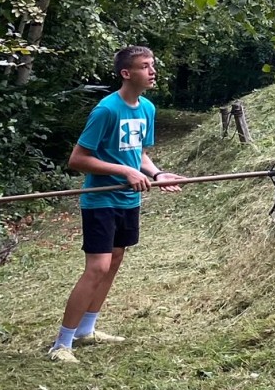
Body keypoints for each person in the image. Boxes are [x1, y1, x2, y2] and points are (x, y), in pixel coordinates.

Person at [48, 45, 179, 363]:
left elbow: (140, 155)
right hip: (100, 200)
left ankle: (86, 330)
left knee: (115, 260)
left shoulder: (146, 108)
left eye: (153, 65)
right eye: (145, 66)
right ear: (126, 73)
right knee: (98, 267)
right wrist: (124, 170)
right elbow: (78, 159)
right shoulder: (107, 110)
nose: (152, 71)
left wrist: (157, 174)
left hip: (128, 199)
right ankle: (61, 344)